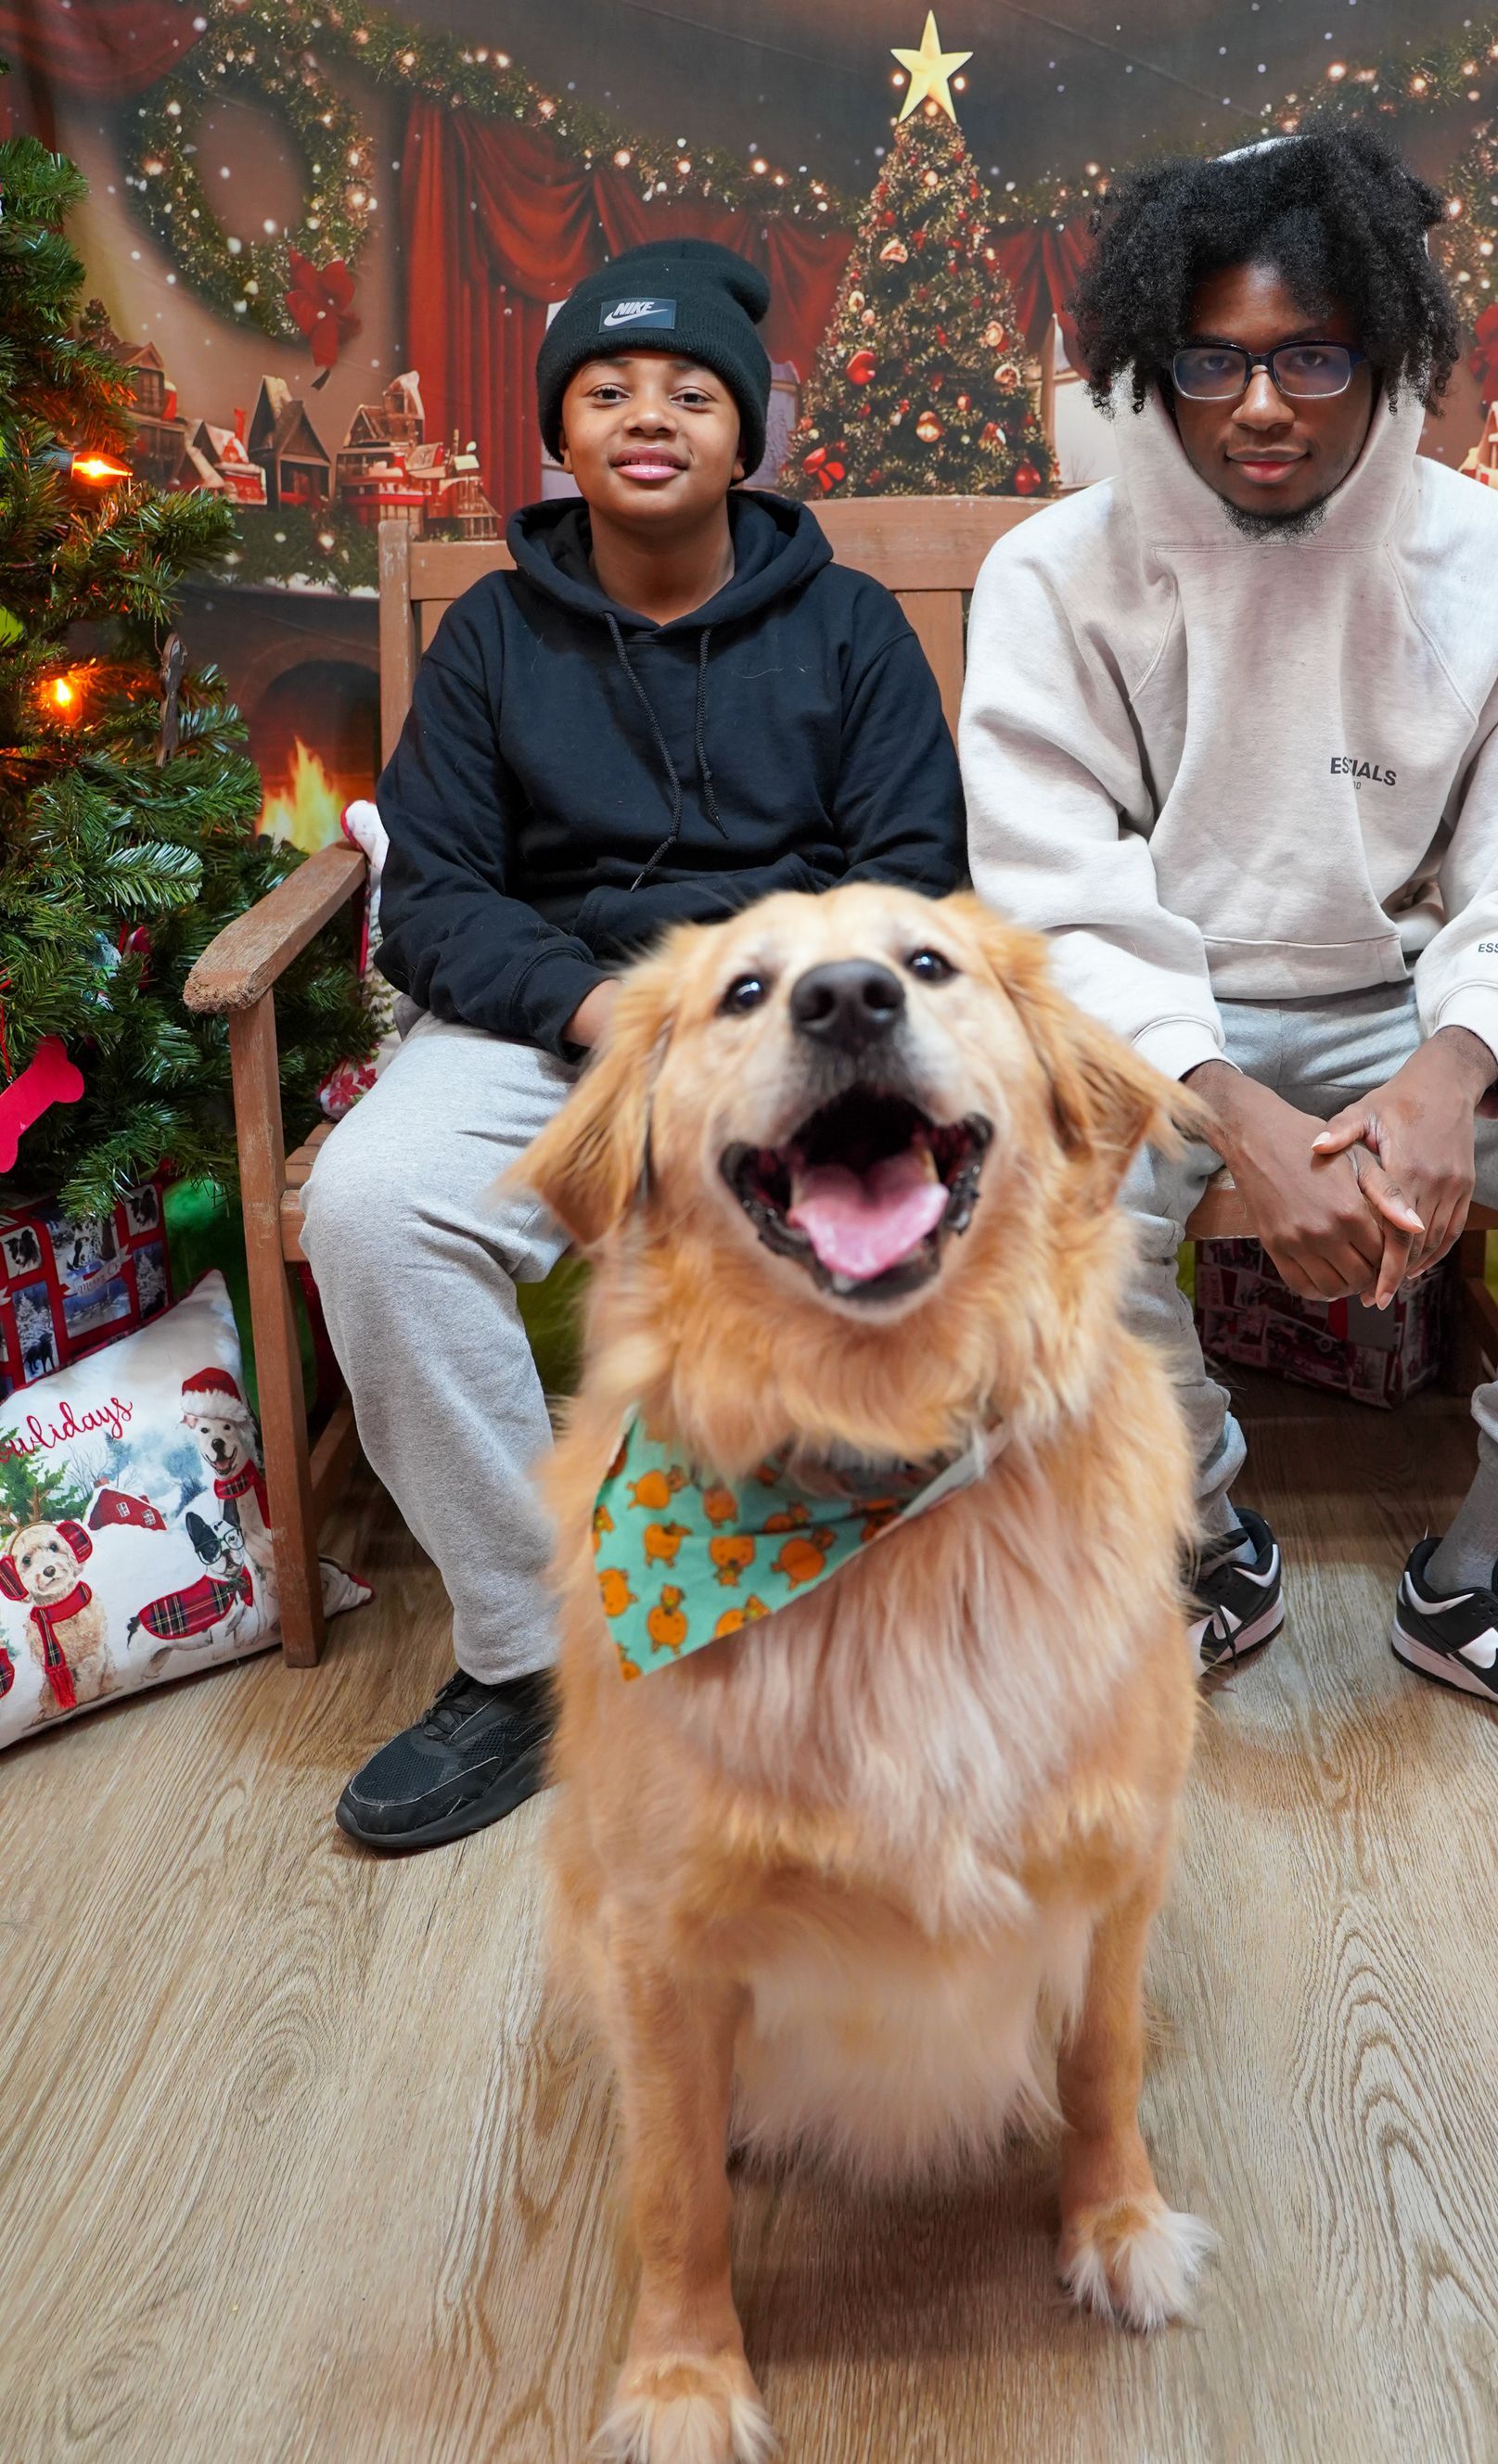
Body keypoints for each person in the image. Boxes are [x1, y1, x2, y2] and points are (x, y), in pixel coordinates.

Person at [961, 128, 1498, 1793]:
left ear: (1386, 352)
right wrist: (1229, 1105)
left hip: (1417, 1003)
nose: (1261, 406)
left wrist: (1454, 1067)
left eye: (1312, 355)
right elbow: (1059, 904)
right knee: (1035, 1183)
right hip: (1156, 1027)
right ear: (1148, 368)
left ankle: (1487, 1575)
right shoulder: (1054, 576)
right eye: (1213, 363)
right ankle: (1191, 1540)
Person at [304, 239, 965, 1851]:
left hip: (793, 1033)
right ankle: (532, 1659)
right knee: (373, 1210)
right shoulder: (493, 638)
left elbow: (911, 873)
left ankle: (825, 1636)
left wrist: (754, 1013)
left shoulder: (852, 628)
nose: (648, 416)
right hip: (559, 1024)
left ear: (747, 436)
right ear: (564, 432)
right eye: (607, 390)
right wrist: (606, 1014)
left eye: (689, 392)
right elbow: (435, 898)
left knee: (904, 1221)